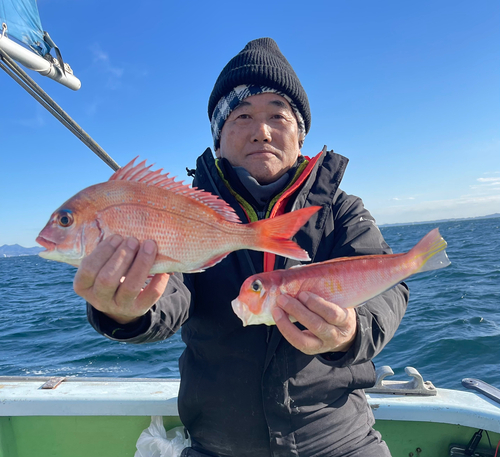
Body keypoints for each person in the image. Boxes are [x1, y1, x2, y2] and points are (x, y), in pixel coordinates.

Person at [74, 38, 409, 457]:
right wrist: (124, 309)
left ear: (300, 135)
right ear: (219, 138)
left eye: (278, 115)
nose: (261, 131)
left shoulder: (342, 210)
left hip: (340, 439)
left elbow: (388, 285)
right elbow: (170, 293)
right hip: (217, 446)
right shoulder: (182, 214)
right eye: (242, 115)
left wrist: (351, 331)